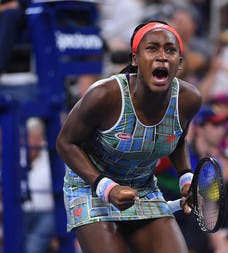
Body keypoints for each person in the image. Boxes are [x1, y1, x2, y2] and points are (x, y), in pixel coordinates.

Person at [56, 20, 202, 253]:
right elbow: (65, 143)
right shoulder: (104, 95)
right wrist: (106, 188)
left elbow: (176, 137)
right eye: (152, 48)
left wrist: (185, 178)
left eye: (170, 50)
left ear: (179, 63)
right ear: (135, 59)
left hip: (142, 187)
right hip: (90, 187)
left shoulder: (188, 99)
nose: (162, 56)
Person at [23, 117, 56, 253]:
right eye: (29, 138)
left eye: (37, 138)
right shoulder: (15, 155)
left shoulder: (51, 158)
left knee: (32, 249)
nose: (33, 143)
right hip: (21, 213)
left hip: (46, 213)